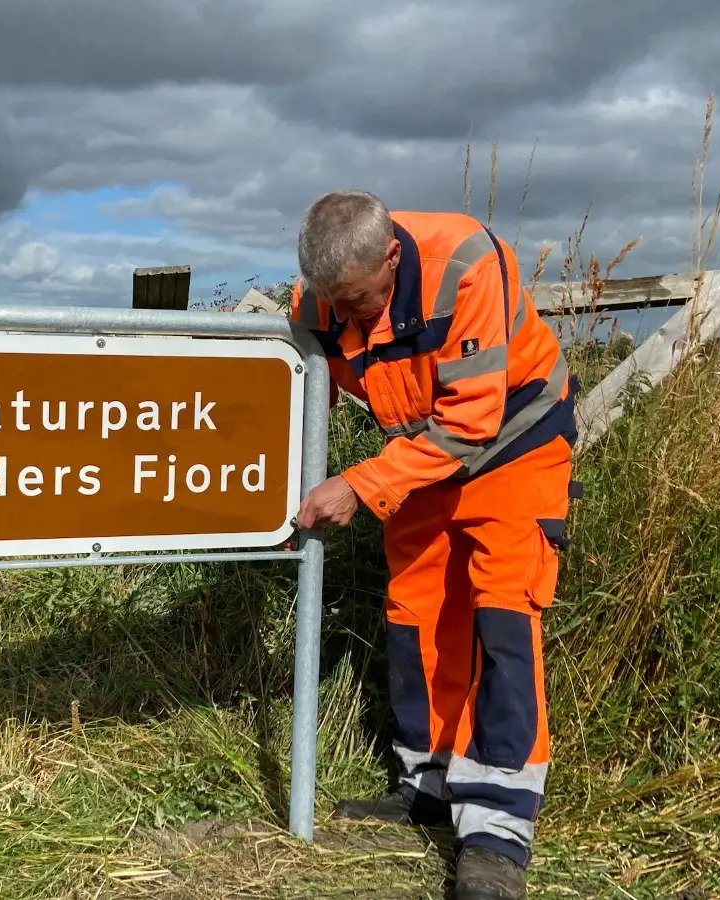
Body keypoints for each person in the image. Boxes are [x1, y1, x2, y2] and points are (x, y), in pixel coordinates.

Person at [290, 190, 580, 900]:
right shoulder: (318, 300)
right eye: (338, 305)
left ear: (392, 255)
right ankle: (429, 786)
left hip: (514, 444)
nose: (351, 318)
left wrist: (358, 487)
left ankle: (497, 835)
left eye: (363, 301)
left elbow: (473, 423)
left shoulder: (467, 263)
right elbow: (306, 392)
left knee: (503, 613)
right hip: (419, 455)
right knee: (416, 611)